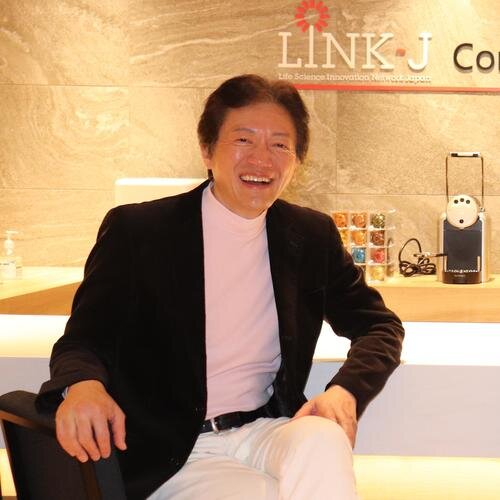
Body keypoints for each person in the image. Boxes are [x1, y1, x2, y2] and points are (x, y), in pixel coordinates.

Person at [37, 74, 404, 499]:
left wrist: (346, 390)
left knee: (324, 438)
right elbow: (83, 340)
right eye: (244, 140)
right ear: (207, 150)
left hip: (267, 429)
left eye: (280, 145)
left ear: (297, 161)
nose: (262, 159)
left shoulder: (309, 235)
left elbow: (379, 326)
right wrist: (83, 386)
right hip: (178, 449)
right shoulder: (139, 231)